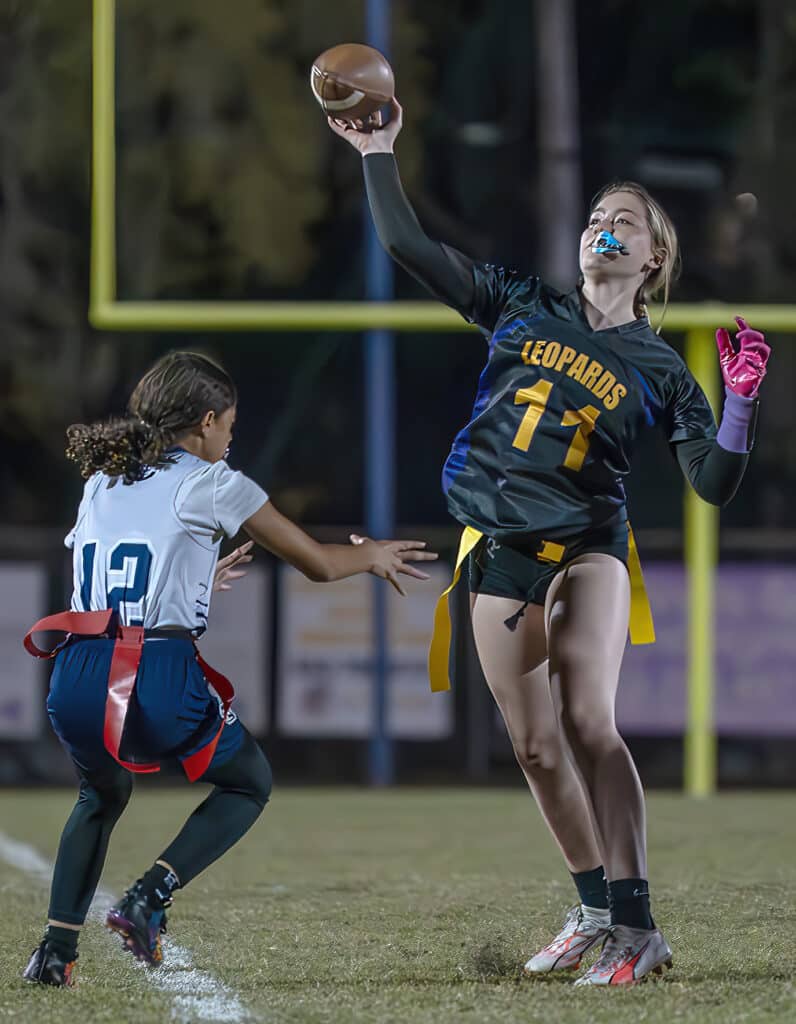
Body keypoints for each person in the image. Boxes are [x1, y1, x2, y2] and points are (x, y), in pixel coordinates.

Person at [328, 99, 770, 985]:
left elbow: (712, 487)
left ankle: (640, 928)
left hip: (588, 545)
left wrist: (742, 408)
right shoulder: (519, 302)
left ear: (654, 259)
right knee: (532, 747)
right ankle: (595, 910)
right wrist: (378, 150)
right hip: (496, 546)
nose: (606, 229)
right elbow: (411, 248)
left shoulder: (661, 367)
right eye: (598, 218)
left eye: (627, 223)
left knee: (586, 719)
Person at [22, 350, 437, 987]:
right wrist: (373, 555)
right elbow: (319, 564)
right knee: (248, 782)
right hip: (151, 673)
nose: (231, 437)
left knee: (100, 794)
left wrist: (193, 578)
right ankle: (149, 896)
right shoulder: (214, 481)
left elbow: (116, 575)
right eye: (230, 425)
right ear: (208, 421)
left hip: (77, 672)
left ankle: (54, 953)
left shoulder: (104, 479)